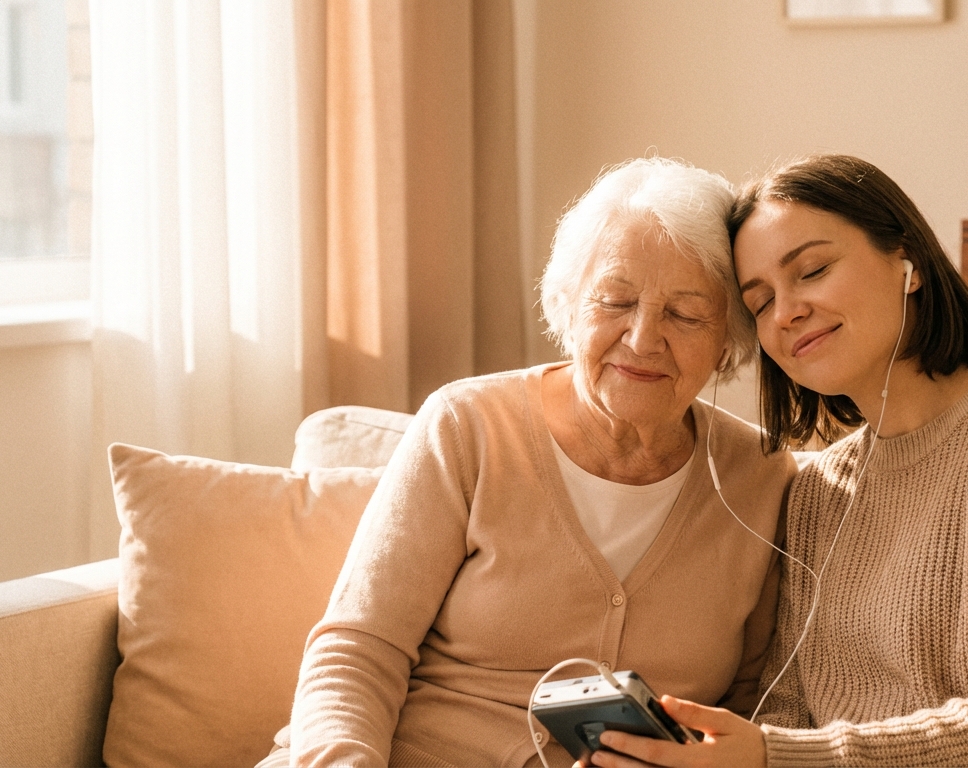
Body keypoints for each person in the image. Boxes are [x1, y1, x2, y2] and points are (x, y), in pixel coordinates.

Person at [587, 154, 968, 767]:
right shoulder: (818, 494)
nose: (787, 312)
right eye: (760, 302)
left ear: (906, 261)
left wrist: (775, 758)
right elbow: (789, 711)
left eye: (813, 270)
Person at [262, 158, 796, 768]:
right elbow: (359, 647)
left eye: (685, 314)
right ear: (568, 306)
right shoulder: (468, 425)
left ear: (730, 337)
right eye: (615, 299)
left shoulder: (761, 475)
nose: (644, 338)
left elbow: (757, 704)